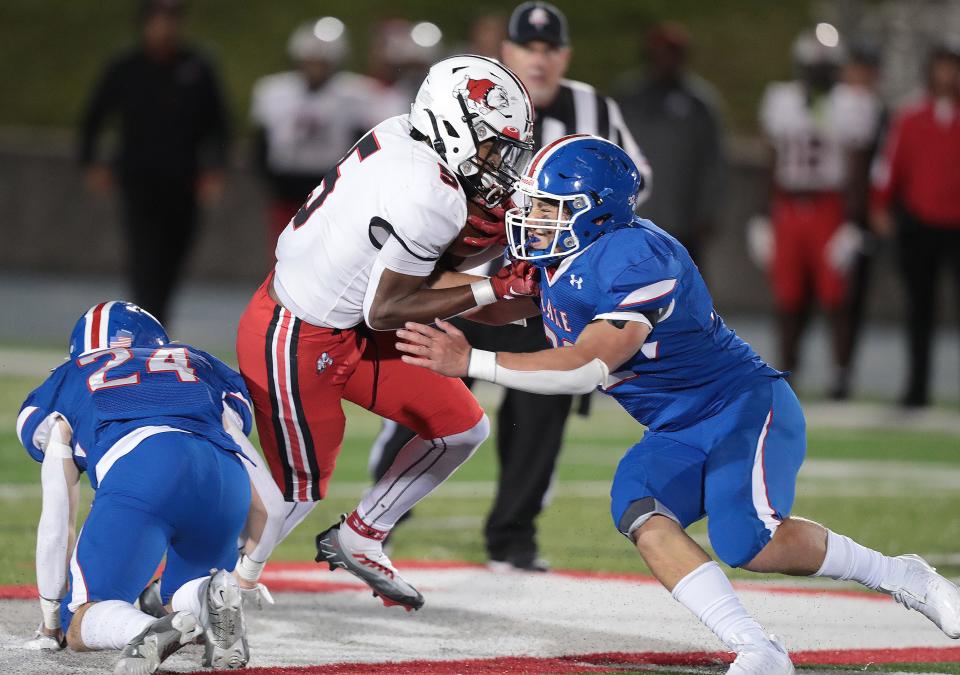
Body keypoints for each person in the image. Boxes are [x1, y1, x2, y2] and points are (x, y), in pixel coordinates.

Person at [396, 135, 960, 674]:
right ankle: (756, 647)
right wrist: (407, 280)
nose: (533, 218)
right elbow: (506, 302)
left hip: (742, 406)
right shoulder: (564, 256)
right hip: (674, 428)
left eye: (550, 207)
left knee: (749, 544)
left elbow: (589, 364)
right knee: (639, 509)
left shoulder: (636, 257)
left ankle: (901, 575)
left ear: (594, 212)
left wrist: (469, 361)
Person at [236, 54, 538, 611]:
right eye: (495, 145)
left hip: (345, 322)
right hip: (297, 333)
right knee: (293, 496)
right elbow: (389, 307)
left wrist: (503, 293)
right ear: (455, 125)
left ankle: (362, 534)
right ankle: (197, 589)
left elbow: (409, 279)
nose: (500, 163)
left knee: (460, 427)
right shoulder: (434, 192)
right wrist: (495, 289)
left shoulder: (402, 132)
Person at [367, 0, 651, 573]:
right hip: (464, 273)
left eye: (549, 49)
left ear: (564, 55)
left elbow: (629, 184)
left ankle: (513, 533)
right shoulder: (477, 99)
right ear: (508, 51)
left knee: (543, 404)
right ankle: (379, 515)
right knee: (424, 386)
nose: (538, 59)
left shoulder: (596, 108)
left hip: (545, 287)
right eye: (528, 47)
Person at [16, 302, 253, 673]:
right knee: (184, 592)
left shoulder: (70, 375)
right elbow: (239, 434)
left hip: (145, 465)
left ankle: (148, 629)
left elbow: (57, 515)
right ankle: (209, 594)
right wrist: (252, 559)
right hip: (227, 476)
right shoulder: (198, 361)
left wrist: (51, 620)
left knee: (80, 618)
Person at [78, 0, 230, 325]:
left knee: (175, 253)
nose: (165, 27)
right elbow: (94, 116)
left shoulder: (197, 67)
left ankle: (159, 316)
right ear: (145, 24)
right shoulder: (126, 67)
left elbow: (218, 124)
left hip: (183, 180)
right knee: (143, 254)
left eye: (172, 19)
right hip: (139, 179)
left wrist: (214, 170)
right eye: (159, 20)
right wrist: (92, 162)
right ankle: (149, 320)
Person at [755, 29, 881, 394]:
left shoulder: (852, 103)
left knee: (836, 296)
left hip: (829, 207)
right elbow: (771, 160)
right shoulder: (781, 99)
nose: (817, 75)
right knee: (788, 296)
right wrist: (762, 214)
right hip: (788, 207)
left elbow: (858, 168)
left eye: (824, 68)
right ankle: (787, 369)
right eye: (812, 68)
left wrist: (854, 223)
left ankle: (841, 374)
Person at [251, 18, 401, 245]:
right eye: (310, 60)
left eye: (321, 61)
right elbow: (260, 142)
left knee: (323, 248)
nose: (315, 66)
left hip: (330, 185)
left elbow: (368, 136)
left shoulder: (356, 93)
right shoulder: (274, 91)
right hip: (285, 185)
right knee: (282, 248)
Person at [871, 42, 960, 408]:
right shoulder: (909, 117)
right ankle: (917, 389)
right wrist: (880, 205)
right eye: (941, 66)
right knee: (919, 309)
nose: (947, 75)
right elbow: (889, 166)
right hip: (921, 224)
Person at [615, 22, 725, 270]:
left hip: (683, 222)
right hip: (635, 219)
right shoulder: (628, 98)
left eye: (671, 53)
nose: (665, 60)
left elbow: (713, 162)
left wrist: (708, 211)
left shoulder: (699, 103)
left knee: (684, 292)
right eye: (659, 53)